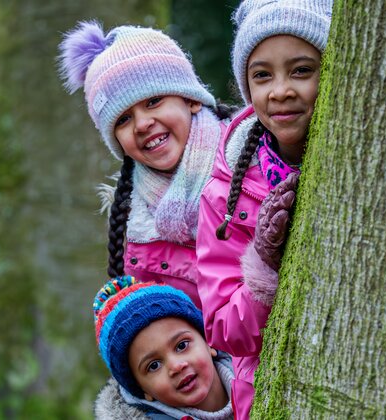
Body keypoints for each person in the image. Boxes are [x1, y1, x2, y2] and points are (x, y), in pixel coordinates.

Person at [194, 1, 333, 418]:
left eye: (302, 70)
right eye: (262, 75)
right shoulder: (225, 195)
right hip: (273, 396)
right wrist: (263, 264)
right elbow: (221, 327)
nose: (280, 90)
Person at [58, 21, 234, 307]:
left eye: (153, 101)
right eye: (124, 119)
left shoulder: (251, 159)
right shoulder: (134, 225)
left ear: (191, 99)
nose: (142, 124)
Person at [92, 276, 235, 420]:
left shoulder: (253, 366)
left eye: (182, 345)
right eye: (154, 366)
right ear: (142, 389)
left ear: (207, 341)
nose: (176, 366)